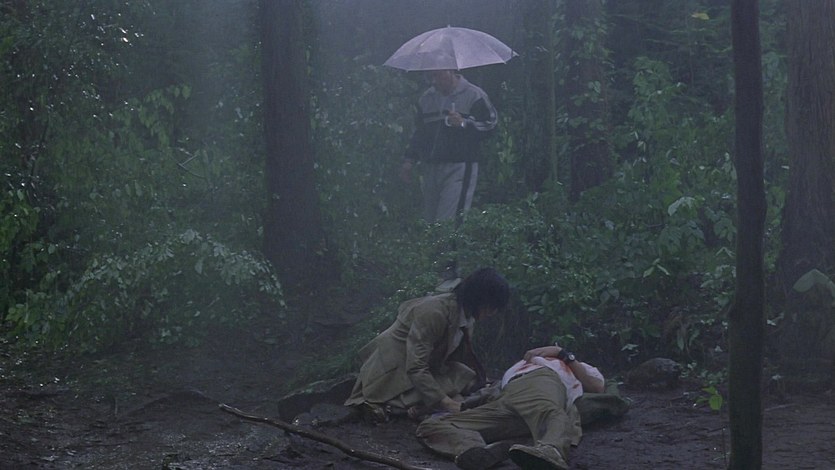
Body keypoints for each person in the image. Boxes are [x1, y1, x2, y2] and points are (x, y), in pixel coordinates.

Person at [344, 267, 510, 420]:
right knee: (454, 393)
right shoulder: (434, 312)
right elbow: (416, 367)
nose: (492, 312)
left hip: (428, 367)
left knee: (468, 376)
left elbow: (457, 358)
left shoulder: (466, 317)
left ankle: (420, 405)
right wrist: (447, 403)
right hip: (394, 372)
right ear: (479, 298)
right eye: (491, 307)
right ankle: (392, 406)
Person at [415, 343, 605, 470]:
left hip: (541, 380)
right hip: (507, 398)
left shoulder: (566, 364)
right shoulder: (518, 365)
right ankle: (475, 450)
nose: (539, 351)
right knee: (433, 425)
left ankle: (551, 451)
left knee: (548, 410)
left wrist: (561, 353)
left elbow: (596, 387)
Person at [399, 69, 498, 223]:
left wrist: (464, 123)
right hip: (432, 167)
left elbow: (490, 125)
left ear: (449, 71)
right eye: (431, 76)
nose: (434, 81)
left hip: (460, 165)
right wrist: (409, 160)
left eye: (438, 75)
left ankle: (452, 240)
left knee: (449, 221)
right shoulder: (426, 98)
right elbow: (419, 133)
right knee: (430, 221)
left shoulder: (473, 94)